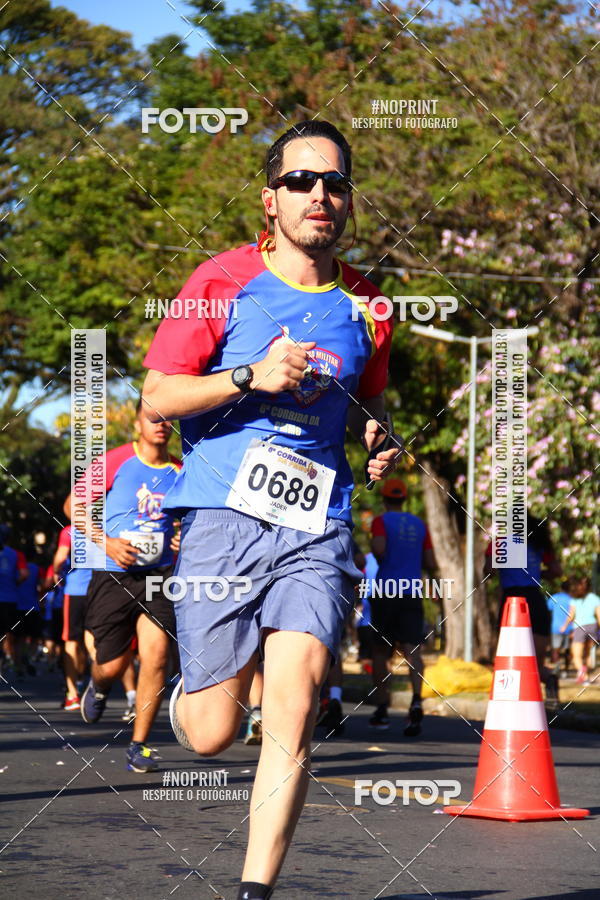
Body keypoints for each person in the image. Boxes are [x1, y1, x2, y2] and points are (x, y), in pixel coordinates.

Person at [142, 119, 400, 900]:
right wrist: (250, 376)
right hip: (223, 516)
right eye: (301, 181)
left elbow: (368, 401)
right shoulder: (219, 281)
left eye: (335, 183)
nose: (319, 195)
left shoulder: (369, 303)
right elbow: (158, 396)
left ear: (348, 201)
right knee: (216, 733)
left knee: (295, 701)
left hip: (316, 523)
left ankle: (256, 892)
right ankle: (198, 690)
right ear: (270, 199)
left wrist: (375, 437)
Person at [65, 400, 181, 772]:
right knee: (111, 665)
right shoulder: (116, 460)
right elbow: (73, 506)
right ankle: (99, 686)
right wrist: (107, 542)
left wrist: (181, 536)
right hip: (114, 573)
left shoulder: (181, 470)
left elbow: (188, 518)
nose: (161, 424)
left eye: (167, 418)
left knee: (157, 655)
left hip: (157, 576)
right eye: (153, 417)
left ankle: (139, 744)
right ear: (137, 423)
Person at [368, 478, 437, 736]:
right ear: (404, 498)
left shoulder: (380, 521)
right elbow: (430, 561)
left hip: (386, 591)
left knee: (380, 651)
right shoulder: (421, 525)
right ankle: (417, 701)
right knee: (412, 650)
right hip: (412, 592)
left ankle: (382, 707)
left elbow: (379, 549)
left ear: (385, 499)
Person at [484, 513, 561, 700]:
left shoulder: (500, 542)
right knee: (535, 660)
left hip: (512, 602)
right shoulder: (538, 544)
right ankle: (549, 679)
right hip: (535, 600)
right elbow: (557, 571)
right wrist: (535, 572)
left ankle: (509, 698)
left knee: (508, 654)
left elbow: (489, 571)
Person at [561, 577, 600, 685]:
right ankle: (586, 676)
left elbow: (571, 615)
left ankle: (583, 673)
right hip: (592, 626)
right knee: (587, 654)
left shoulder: (575, 599)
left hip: (580, 627)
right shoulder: (595, 598)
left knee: (576, 655)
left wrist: (564, 626)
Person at [0, 524, 28, 673]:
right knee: (13, 632)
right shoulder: (16, 554)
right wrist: (14, 582)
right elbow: (24, 574)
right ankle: (14, 662)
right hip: (10, 598)